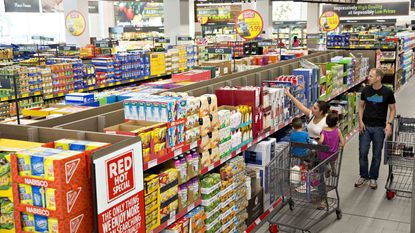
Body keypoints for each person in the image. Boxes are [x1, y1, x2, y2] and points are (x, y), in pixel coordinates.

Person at [355, 68, 396, 190]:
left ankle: (373, 177)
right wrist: (360, 121)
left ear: (378, 78)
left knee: (376, 154)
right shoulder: (365, 90)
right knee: (363, 152)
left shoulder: (388, 92)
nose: (368, 77)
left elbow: (393, 109)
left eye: (371, 76)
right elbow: (361, 106)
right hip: (366, 126)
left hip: (379, 128)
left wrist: (389, 124)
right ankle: (363, 176)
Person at [318, 112, 345, 177]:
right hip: (334, 153)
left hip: (324, 153)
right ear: (336, 122)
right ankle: (334, 172)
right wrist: (337, 145)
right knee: (332, 161)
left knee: (321, 160)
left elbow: (321, 141)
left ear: (326, 121)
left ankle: (327, 169)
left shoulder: (324, 131)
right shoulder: (338, 130)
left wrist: (318, 143)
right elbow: (343, 143)